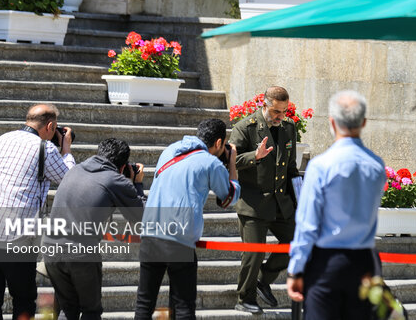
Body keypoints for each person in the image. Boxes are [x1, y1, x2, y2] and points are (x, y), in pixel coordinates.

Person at [286, 90, 386, 320]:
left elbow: (307, 223)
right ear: (363, 123)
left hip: (327, 263)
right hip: (365, 263)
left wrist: (296, 268)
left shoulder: (321, 166)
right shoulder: (377, 165)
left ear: (332, 122)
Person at [0, 104, 75, 320]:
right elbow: (69, 178)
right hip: (15, 236)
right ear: (50, 125)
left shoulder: (3, 139)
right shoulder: (44, 149)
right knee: (24, 298)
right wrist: (66, 150)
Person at [135, 118, 240, 320]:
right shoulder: (210, 162)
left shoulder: (169, 151)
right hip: (179, 238)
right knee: (183, 306)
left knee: (144, 304)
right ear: (219, 143)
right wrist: (232, 162)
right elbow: (229, 198)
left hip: (150, 232)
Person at [42, 138, 147, 320]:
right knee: (91, 311)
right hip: (80, 253)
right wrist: (136, 184)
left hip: (51, 248)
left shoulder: (75, 170)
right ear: (122, 166)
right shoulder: (115, 179)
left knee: (68, 309)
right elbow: (142, 216)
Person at [229, 86, 301, 313]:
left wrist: (299, 199)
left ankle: (263, 280)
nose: (281, 116)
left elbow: (291, 167)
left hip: (281, 202)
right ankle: (244, 298)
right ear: (264, 104)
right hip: (253, 203)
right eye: (276, 111)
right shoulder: (245, 127)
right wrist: (254, 156)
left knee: (298, 243)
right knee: (254, 251)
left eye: (284, 111)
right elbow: (230, 161)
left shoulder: (289, 128)